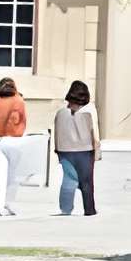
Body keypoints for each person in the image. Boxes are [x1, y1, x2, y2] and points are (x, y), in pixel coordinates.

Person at [52, 80, 100, 217]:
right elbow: (94, 132)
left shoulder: (61, 113)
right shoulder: (89, 112)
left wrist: (57, 150)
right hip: (85, 150)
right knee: (87, 182)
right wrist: (97, 150)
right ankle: (89, 209)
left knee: (68, 179)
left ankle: (65, 209)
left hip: (65, 150)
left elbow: (57, 132)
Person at [0, 77, 27, 216]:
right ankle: (8, 204)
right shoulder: (18, 102)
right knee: (12, 175)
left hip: (1, 139)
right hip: (14, 140)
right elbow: (16, 121)